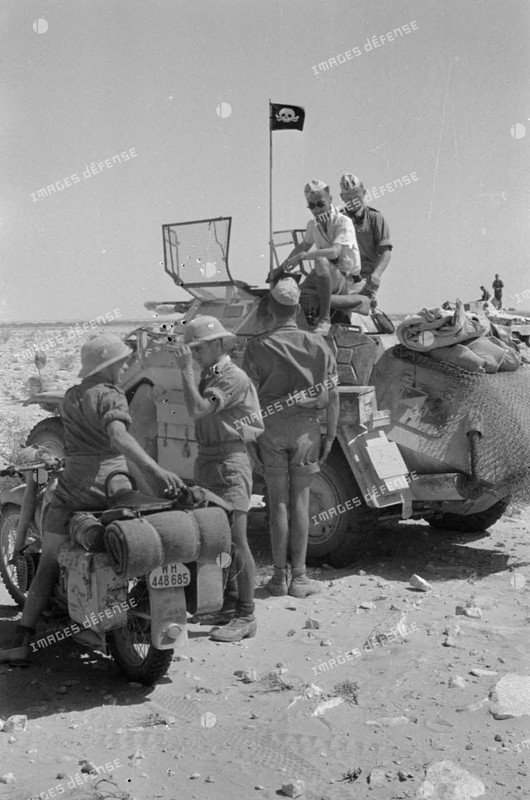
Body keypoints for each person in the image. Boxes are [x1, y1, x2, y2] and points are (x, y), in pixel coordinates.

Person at [0, 333, 184, 666]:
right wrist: (155, 471)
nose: (126, 364)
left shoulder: (72, 396)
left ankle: (23, 640)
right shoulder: (111, 396)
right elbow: (117, 436)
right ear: (109, 365)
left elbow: (78, 440)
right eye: (122, 360)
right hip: (115, 486)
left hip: (75, 490)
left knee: (49, 562)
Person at [242, 277, 339, 598]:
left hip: (270, 429)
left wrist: (248, 440)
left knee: (277, 504)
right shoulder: (317, 344)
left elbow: (247, 399)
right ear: (298, 309)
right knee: (300, 502)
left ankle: (278, 579)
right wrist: (330, 434)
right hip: (306, 430)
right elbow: (332, 395)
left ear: (269, 308)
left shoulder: (257, 346)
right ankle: (299, 578)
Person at [171, 316, 263, 643]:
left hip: (229, 461)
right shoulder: (213, 375)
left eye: (197, 348)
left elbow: (197, 410)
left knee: (237, 542)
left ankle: (246, 614)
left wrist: (184, 369)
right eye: (191, 349)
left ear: (217, 344)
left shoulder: (231, 378)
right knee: (216, 540)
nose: (194, 354)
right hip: (211, 459)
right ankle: (230, 605)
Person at [281, 179, 362, 335]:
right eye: (311, 206)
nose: (316, 209)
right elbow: (304, 245)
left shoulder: (343, 222)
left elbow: (334, 252)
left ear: (330, 200)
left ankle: (325, 320)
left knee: (320, 259)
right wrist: (282, 267)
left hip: (345, 278)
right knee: (293, 295)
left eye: (320, 204)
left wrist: (303, 256)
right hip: (326, 275)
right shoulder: (313, 225)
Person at [339, 173, 393, 306]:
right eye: (349, 198)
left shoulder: (375, 218)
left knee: (349, 305)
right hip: (341, 276)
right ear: (342, 198)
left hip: (364, 278)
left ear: (364, 192)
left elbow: (386, 252)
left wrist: (377, 273)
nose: (353, 201)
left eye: (357, 196)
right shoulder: (338, 219)